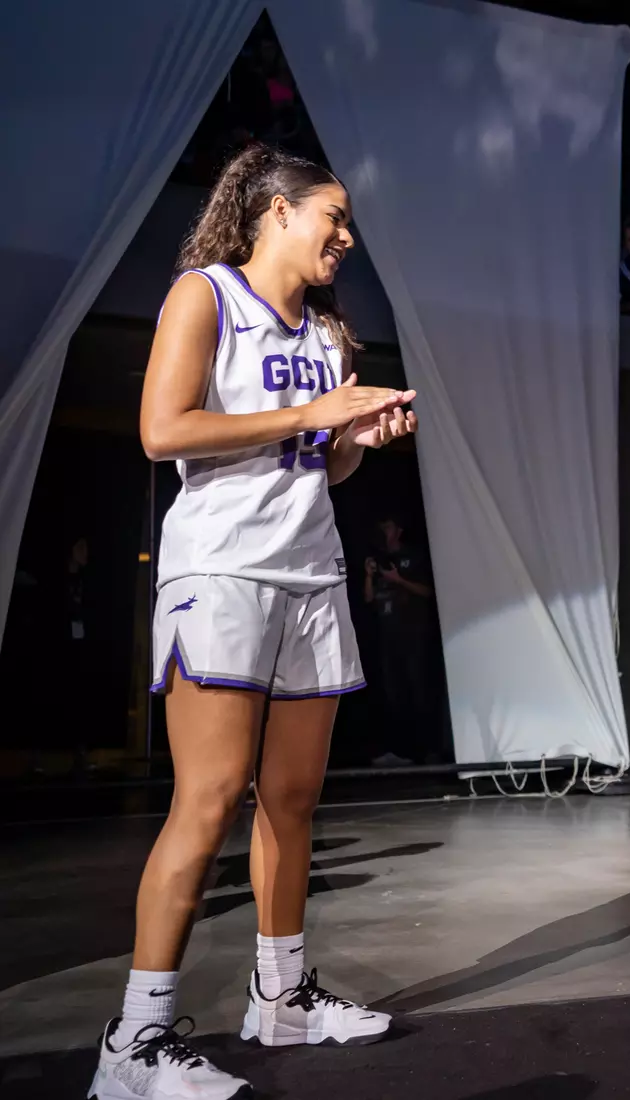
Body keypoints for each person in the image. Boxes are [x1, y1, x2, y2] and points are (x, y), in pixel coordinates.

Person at [96, 145, 412, 1100]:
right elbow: (163, 431)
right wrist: (310, 413)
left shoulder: (329, 333)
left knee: (293, 798)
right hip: (222, 571)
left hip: (311, 574)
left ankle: (281, 999)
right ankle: (135, 1045)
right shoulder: (206, 296)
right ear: (276, 211)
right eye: (334, 218)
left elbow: (323, 464)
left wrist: (352, 440)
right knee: (211, 794)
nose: (347, 238)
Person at [363, 516, 444, 766]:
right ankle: (402, 752)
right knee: (394, 695)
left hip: (414, 635)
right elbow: (368, 599)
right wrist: (368, 575)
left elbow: (428, 592)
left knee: (420, 691)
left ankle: (432, 750)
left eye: (387, 526)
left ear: (398, 530)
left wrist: (399, 581)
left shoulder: (414, 557)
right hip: (388, 638)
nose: (383, 531)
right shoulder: (379, 561)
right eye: (381, 527)